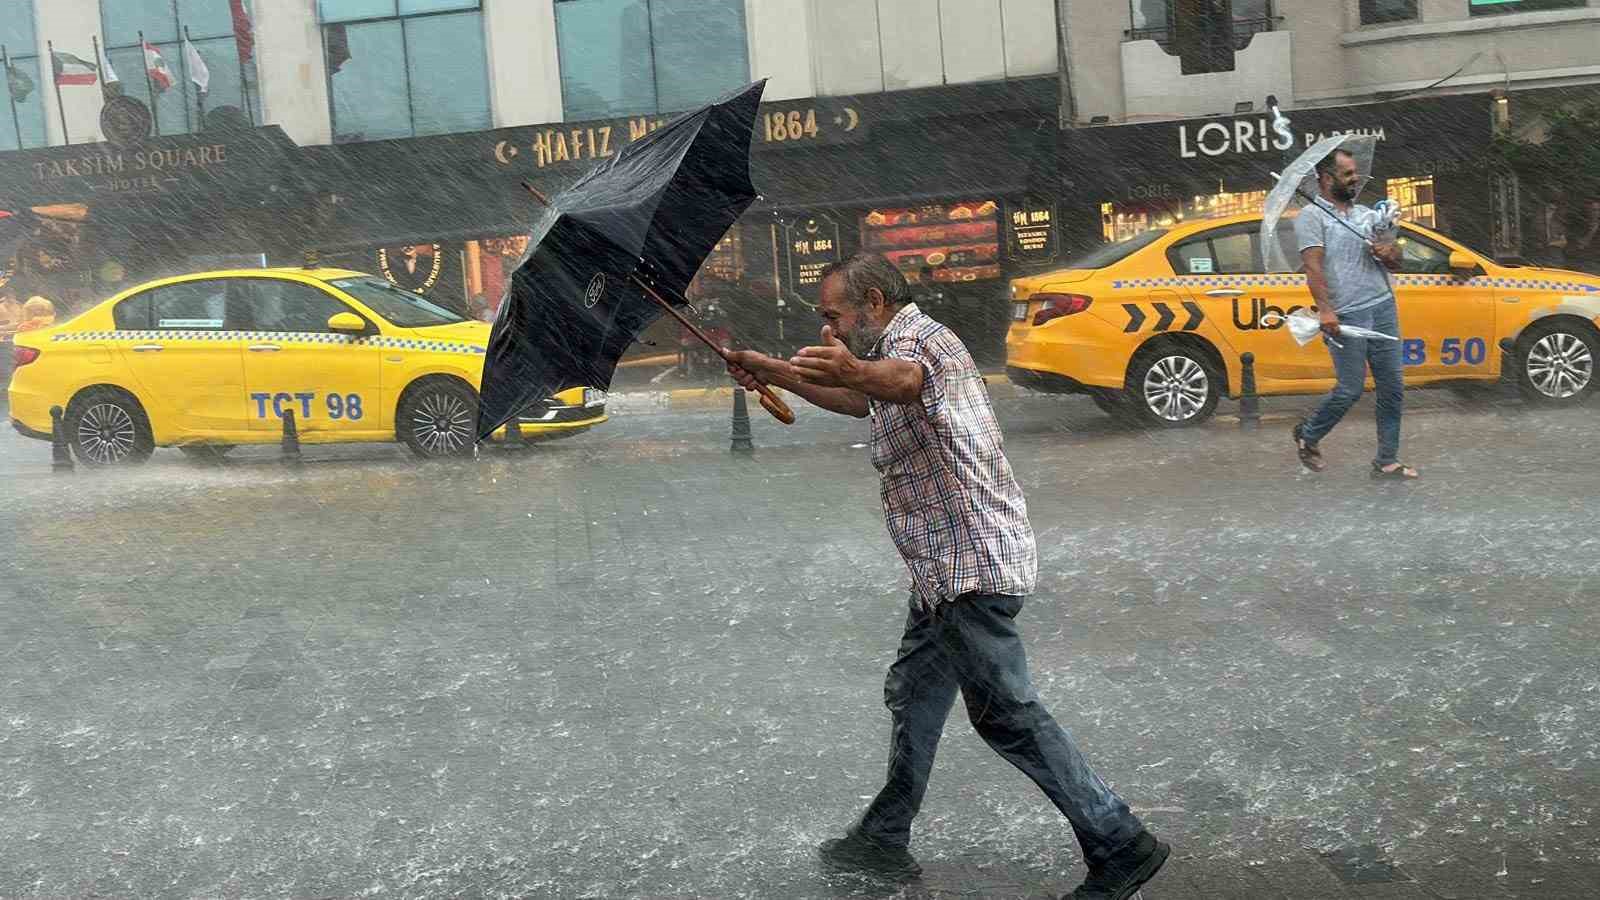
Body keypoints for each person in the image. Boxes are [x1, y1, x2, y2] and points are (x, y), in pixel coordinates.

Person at [723, 254, 1169, 900]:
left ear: (873, 303)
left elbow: (901, 381)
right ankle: (885, 833)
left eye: (835, 316)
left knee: (1007, 715)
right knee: (915, 690)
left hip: (972, 569)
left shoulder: (920, 344)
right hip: (943, 572)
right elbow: (861, 396)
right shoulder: (888, 349)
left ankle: (1119, 841)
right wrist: (774, 372)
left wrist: (852, 368)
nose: (832, 329)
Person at [1291, 149, 1416, 480]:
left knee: (1393, 387)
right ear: (1327, 178)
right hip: (1346, 314)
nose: (1355, 178)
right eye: (1347, 174)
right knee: (1349, 389)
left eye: (1355, 172)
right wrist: (1327, 310)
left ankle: (1387, 460)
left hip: (1382, 305)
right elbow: (1313, 267)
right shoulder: (1311, 217)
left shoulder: (1365, 215)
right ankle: (1309, 432)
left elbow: (1395, 261)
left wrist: (1388, 251)